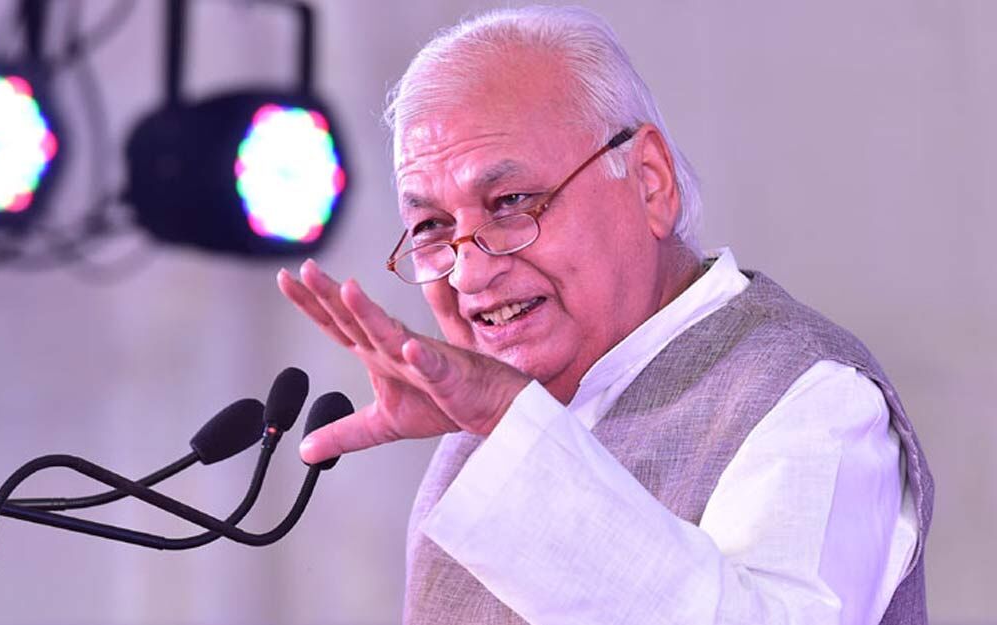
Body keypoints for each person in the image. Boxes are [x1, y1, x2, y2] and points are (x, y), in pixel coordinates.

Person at [277, 6, 932, 625]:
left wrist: (509, 425)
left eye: (511, 202)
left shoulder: (810, 396)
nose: (468, 273)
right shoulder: (477, 432)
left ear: (649, 182)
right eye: (430, 226)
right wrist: (502, 425)